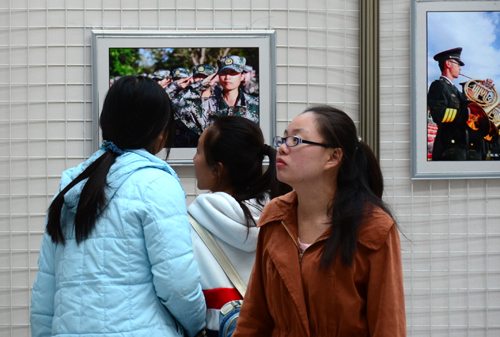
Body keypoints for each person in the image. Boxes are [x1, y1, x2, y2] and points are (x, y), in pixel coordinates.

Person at [30, 75, 207, 337]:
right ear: (160, 130)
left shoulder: (71, 186)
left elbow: (46, 285)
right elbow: (177, 282)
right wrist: (198, 325)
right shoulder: (157, 183)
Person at [233, 105, 406, 336]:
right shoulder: (275, 217)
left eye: (295, 140)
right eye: (283, 139)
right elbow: (254, 317)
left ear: (333, 157)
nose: (282, 148)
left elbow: (387, 325)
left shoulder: (373, 228)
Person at [188, 116, 290, 337]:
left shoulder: (193, 224)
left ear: (217, 170)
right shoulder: (282, 218)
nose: (193, 159)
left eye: (198, 151)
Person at [428, 47, 491, 160]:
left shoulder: (454, 90)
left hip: (460, 148)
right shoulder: (439, 86)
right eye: (458, 64)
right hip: (448, 149)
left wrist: (483, 90)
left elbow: (470, 105)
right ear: (448, 63)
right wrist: (465, 112)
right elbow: (439, 114)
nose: (460, 69)